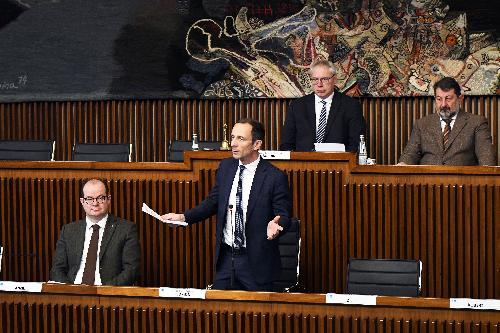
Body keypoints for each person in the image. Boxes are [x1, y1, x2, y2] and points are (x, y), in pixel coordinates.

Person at [162, 118, 292, 291]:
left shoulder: (274, 177)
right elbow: (212, 202)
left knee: (256, 316)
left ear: (257, 144)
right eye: (232, 137)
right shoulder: (226, 167)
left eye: (241, 138)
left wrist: (277, 224)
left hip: (256, 262)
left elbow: (284, 215)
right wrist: (183, 217)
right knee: (218, 313)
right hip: (227, 258)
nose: (233, 144)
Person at [50, 179, 141, 285]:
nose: (95, 203)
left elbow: (132, 270)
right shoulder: (69, 230)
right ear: (82, 202)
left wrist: (106, 292)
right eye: (89, 199)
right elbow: (57, 269)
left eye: (100, 198)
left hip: (108, 294)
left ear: (109, 199)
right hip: (73, 294)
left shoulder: (126, 229)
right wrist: (70, 291)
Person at [398, 77, 496, 166]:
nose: (443, 104)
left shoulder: (477, 123)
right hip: (428, 182)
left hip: (462, 183)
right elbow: (410, 154)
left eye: (448, 98)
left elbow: (486, 158)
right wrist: (403, 164)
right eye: (439, 99)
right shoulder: (422, 124)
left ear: (460, 98)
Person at [280, 59, 366, 152]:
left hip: (338, 164)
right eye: (315, 79)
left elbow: (356, 144)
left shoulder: (351, 106)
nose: (319, 84)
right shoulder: (297, 106)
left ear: (334, 79)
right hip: (303, 164)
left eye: (325, 79)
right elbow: (286, 144)